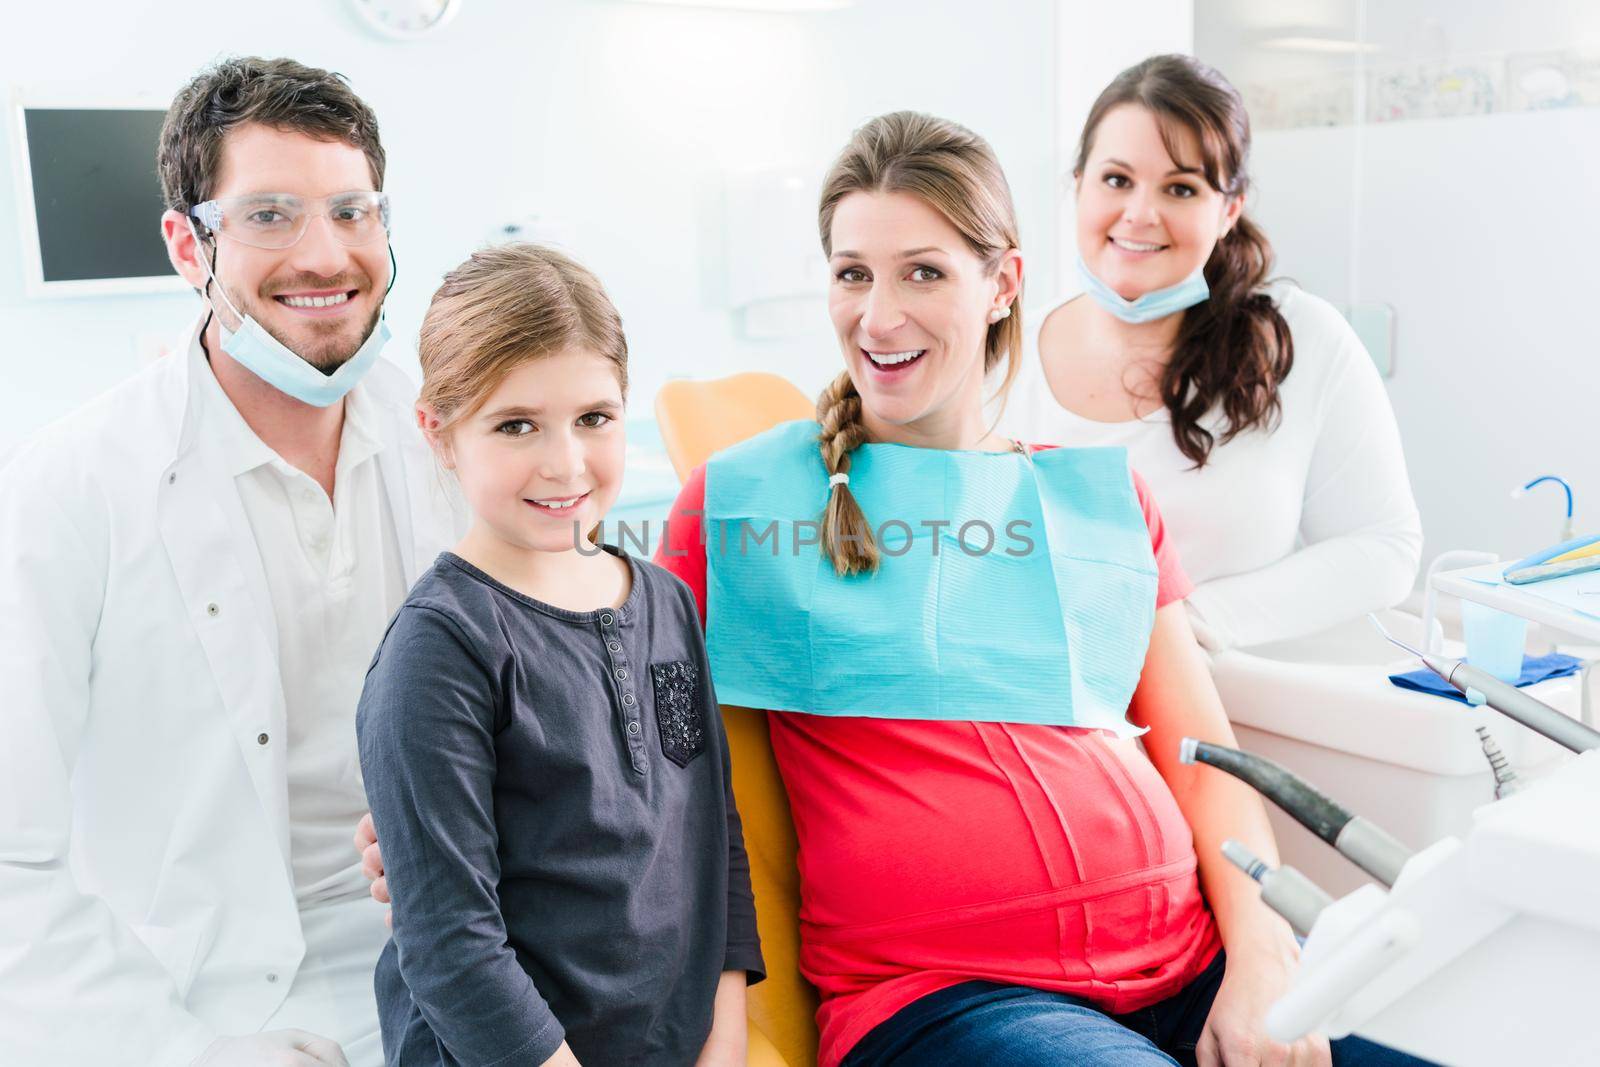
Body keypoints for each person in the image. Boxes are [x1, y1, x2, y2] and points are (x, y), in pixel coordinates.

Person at [0, 57, 462, 1066]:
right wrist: (174, 1049)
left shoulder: (450, 438)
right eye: (268, 216)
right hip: (200, 1003)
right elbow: (10, 851)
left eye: (353, 210)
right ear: (187, 244)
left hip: (447, 958)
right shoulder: (73, 486)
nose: (325, 252)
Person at [355, 244, 763, 1066]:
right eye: (516, 426)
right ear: (439, 433)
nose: (566, 462)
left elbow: (712, 835)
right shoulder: (440, 652)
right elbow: (451, 948)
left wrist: (723, 1049)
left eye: (594, 418)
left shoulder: (665, 605)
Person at [993, 55, 1422, 652]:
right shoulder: (997, 360)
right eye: (1117, 180)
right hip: (1041, 720)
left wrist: (1184, 624)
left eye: (1180, 187)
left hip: (1237, 711)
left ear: (1229, 210)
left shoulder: (1301, 343)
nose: (1140, 213)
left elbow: (1383, 548)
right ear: (1077, 185)